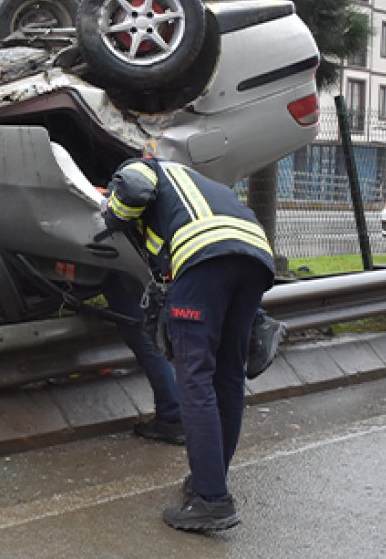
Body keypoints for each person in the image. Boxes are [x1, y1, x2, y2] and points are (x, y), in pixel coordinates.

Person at [100, 157, 274, 532]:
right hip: (255, 255)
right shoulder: (195, 181)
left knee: (194, 379)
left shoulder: (146, 165)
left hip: (204, 258)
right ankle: (209, 482)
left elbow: (133, 188)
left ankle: (211, 500)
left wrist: (110, 213)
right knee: (228, 377)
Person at [101, 273, 184, 444]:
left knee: (142, 335)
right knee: (150, 335)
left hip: (122, 266)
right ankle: (177, 413)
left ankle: (172, 416)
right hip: (147, 269)